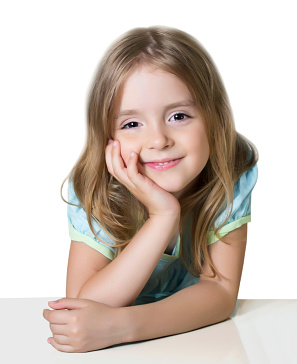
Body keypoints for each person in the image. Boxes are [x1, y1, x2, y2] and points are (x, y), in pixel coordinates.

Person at [43, 26, 258, 353]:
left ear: (214, 119)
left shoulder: (231, 171)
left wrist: (123, 326)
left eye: (179, 115)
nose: (159, 140)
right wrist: (163, 217)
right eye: (132, 124)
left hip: (200, 347)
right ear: (107, 138)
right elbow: (84, 305)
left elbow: (221, 292)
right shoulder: (94, 186)